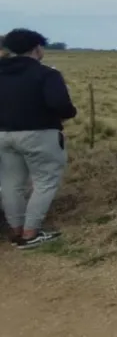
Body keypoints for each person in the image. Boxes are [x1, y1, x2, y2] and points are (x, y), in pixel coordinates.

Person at [0, 28, 77, 249]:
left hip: (3, 135)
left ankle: (15, 231)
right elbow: (60, 104)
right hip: (40, 134)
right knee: (45, 182)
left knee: (10, 184)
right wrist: (69, 114)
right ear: (37, 48)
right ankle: (30, 233)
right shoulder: (46, 74)